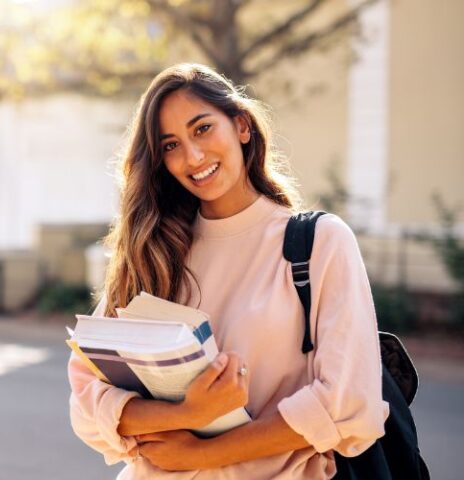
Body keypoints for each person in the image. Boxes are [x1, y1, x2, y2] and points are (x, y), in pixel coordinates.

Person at [67, 63, 389, 479]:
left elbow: (346, 405)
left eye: (202, 129)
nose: (192, 157)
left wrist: (201, 454)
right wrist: (187, 411)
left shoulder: (317, 243)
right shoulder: (155, 251)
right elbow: (88, 405)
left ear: (241, 126)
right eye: (170, 145)